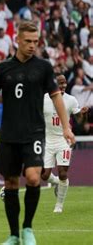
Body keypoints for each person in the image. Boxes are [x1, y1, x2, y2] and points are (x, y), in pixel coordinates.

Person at [0, 21, 75, 245]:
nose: (32, 46)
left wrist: (66, 127)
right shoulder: (3, 68)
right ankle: (13, 235)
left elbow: (56, 95)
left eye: (35, 42)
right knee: (10, 183)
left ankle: (28, 228)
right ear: (17, 40)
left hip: (34, 133)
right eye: (27, 41)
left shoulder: (43, 67)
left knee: (32, 177)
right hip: (9, 134)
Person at [41, 74, 89, 213]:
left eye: (64, 83)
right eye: (60, 83)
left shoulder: (71, 100)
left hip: (64, 140)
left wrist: (83, 114)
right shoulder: (43, 99)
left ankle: (59, 205)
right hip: (48, 141)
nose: (63, 86)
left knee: (63, 172)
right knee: (44, 175)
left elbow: (79, 121)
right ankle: (56, 182)